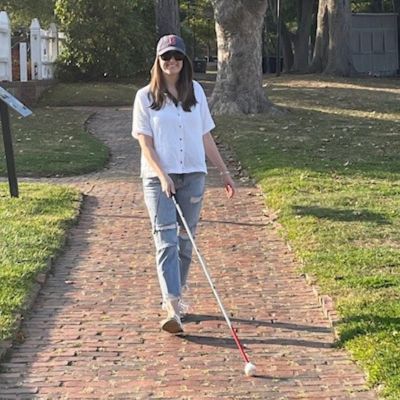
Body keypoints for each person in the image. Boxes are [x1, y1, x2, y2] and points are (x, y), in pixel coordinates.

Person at [131, 34, 235, 334]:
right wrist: (162, 175)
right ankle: (172, 307)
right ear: (158, 61)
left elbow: (205, 136)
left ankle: (177, 297)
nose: (171, 62)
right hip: (157, 178)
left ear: (184, 60)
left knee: (185, 242)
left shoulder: (197, 92)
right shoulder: (145, 97)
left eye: (176, 57)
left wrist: (224, 172)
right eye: (166, 57)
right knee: (166, 239)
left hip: (193, 174)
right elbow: (145, 143)